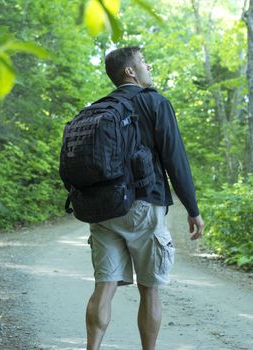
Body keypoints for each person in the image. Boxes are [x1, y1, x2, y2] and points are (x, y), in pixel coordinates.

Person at [85, 46, 204, 350]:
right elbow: (175, 159)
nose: (148, 66)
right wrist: (192, 209)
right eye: (143, 63)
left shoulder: (96, 109)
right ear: (130, 71)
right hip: (142, 204)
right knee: (149, 290)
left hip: (101, 208)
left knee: (104, 286)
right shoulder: (155, 103)